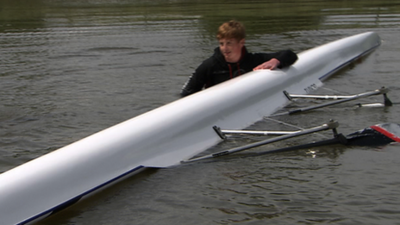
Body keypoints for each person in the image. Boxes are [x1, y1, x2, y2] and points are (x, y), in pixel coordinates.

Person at [180, 20, 298, 97]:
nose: (224, 48)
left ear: (241, 42)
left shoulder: (253, 60)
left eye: (229, 43)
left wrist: (275, 61)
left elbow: (290, 54)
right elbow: (187, 93)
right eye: (221, 43)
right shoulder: (209, 65)